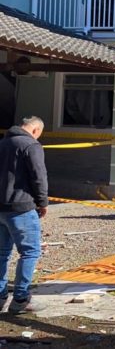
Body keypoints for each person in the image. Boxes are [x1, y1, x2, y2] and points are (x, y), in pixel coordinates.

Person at [0, 116, 47, 315]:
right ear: (35, 130)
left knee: (2, 253)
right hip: (21, 207)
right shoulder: (31, 145)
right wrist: (42, 202)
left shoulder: (3, 143)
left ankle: (1, 296)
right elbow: (39, 176)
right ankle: (20, 299)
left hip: (1, 207)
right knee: (29, 252)